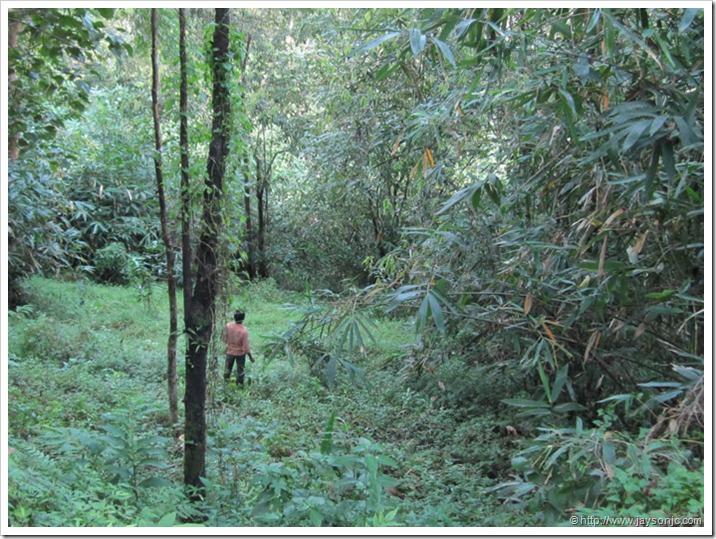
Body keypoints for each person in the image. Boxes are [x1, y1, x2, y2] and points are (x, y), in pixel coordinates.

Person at [223, 309, 255, 386]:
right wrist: (250, 357)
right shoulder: (244, 331)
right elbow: (246, 346)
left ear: (234, 317)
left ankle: (225, 384)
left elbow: (224, 337)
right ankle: (239, 386)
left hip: (230, 351)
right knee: (240, 371)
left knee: (227, 369)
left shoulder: (228, 326)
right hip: (240, 354)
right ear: (243, 319)